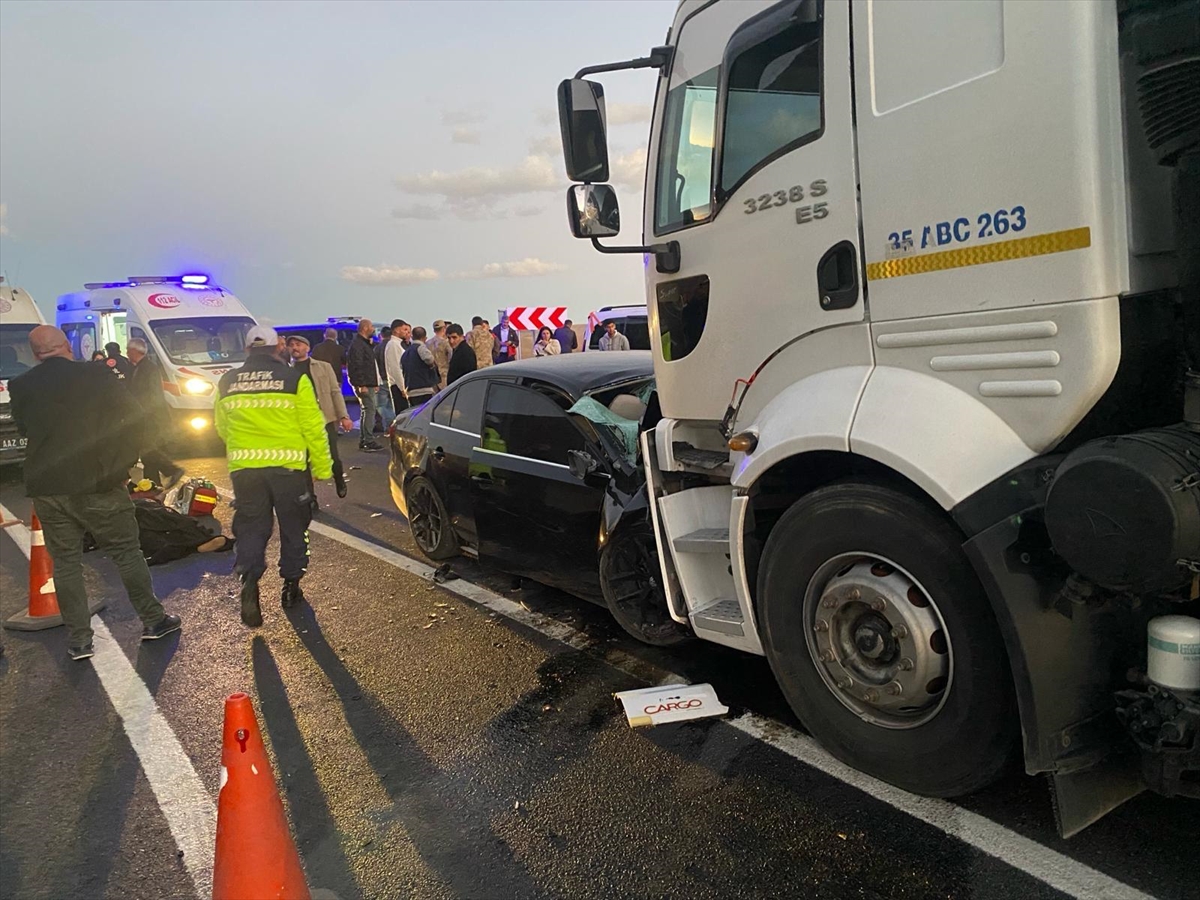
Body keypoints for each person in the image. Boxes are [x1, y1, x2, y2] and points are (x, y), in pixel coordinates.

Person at [8, 325, 182, 661]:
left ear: (35, 353)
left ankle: (79, 641)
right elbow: (134, 417)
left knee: (65, 563)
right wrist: (124, 464)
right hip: (98, 481)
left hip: (49, 485)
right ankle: (153, 619)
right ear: (67, 346)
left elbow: (26, 427)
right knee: (126, 552)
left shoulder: (21, 384)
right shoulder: (97, 374)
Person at [215, 326, 333, 626]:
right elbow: (313, 427)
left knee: (251, 527)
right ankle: (291, 586)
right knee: (294, 527)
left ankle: (249, 580)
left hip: (245, 471)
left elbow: (222, 426)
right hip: (288, 470)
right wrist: (322, 468)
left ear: (247, 349)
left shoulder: (227, 381)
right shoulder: (294, 379)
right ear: (277, 348)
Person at [287, 334, 351, 500]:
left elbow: (335, 392)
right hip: (301, 422)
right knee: (304, 460)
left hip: (325, 418)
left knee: (333, 455)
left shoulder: (323, 367)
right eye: (291, 345)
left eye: (298, 344)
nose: (295, 348)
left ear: (307, 347)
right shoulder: (287, 372)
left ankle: (339, 479)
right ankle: (311, 497)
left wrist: (343, 416)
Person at [127, 337, 184, 491]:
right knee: (147, 454)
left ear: (135, 351)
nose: (127, 353)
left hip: (151, 417)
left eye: (128, 350)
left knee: (147, 449)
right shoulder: (138, 368)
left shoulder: (148, 369)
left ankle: (171, 470)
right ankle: (152, 486)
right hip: (146, 416)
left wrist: (145, 413)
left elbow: (153, 394)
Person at [346, 319, 383, 451]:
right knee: (369, 410)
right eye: (371, 327)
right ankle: (368, 440)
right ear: (365, 328)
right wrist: (362, 384)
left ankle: (364, 440)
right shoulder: (359, 345)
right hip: (364, 383)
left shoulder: (362, 344)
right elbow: (358, 365)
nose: (373, 329)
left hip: (367, 383)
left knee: (365, 410)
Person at [401, 326, 439, 406]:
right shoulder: (421, 348)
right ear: (425, 338)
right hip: (424, 388)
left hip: (410, 390)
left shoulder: (405, 353)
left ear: (412, 337)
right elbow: (429, 359)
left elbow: (401, 367)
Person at [384, 319, 410, 415]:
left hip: (401, 384)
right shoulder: (393, 345)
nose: (407, 332)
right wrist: (403, 388)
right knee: (402, 413)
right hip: (397, 386)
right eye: (404, 329)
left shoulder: (398, 344)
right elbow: (395, 368)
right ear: (396, 330)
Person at [373, 325, 395, 432]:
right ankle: (390, 426)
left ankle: (390, 423)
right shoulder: (394, 346)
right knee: (391, 404)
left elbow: (375, 366)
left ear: (381, 335)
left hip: (382, 380)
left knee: (381, 405)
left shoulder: (377, 348)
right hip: (393, 379)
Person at [426, 319, 452, 389]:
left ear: (434, 330)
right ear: (444, 329)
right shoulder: (446, 343)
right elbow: (451, 358)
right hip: (444, 376)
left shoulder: (427, 343)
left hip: (432, 377)